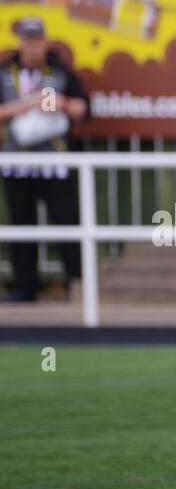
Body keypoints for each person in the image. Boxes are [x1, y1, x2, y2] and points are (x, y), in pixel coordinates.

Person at [0, 17, 89, 303]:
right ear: (20, 42)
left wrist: (57, 102)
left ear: (45, 41)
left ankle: (77, 283)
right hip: (16, 161)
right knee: (21, 223)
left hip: (55, 161)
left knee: (66, 221)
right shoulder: (5, 73)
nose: (32, 45)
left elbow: (82, 109)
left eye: (37, 39)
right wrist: (23, 107)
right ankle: (25, 287)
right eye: (27, 39)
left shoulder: (61, 72)